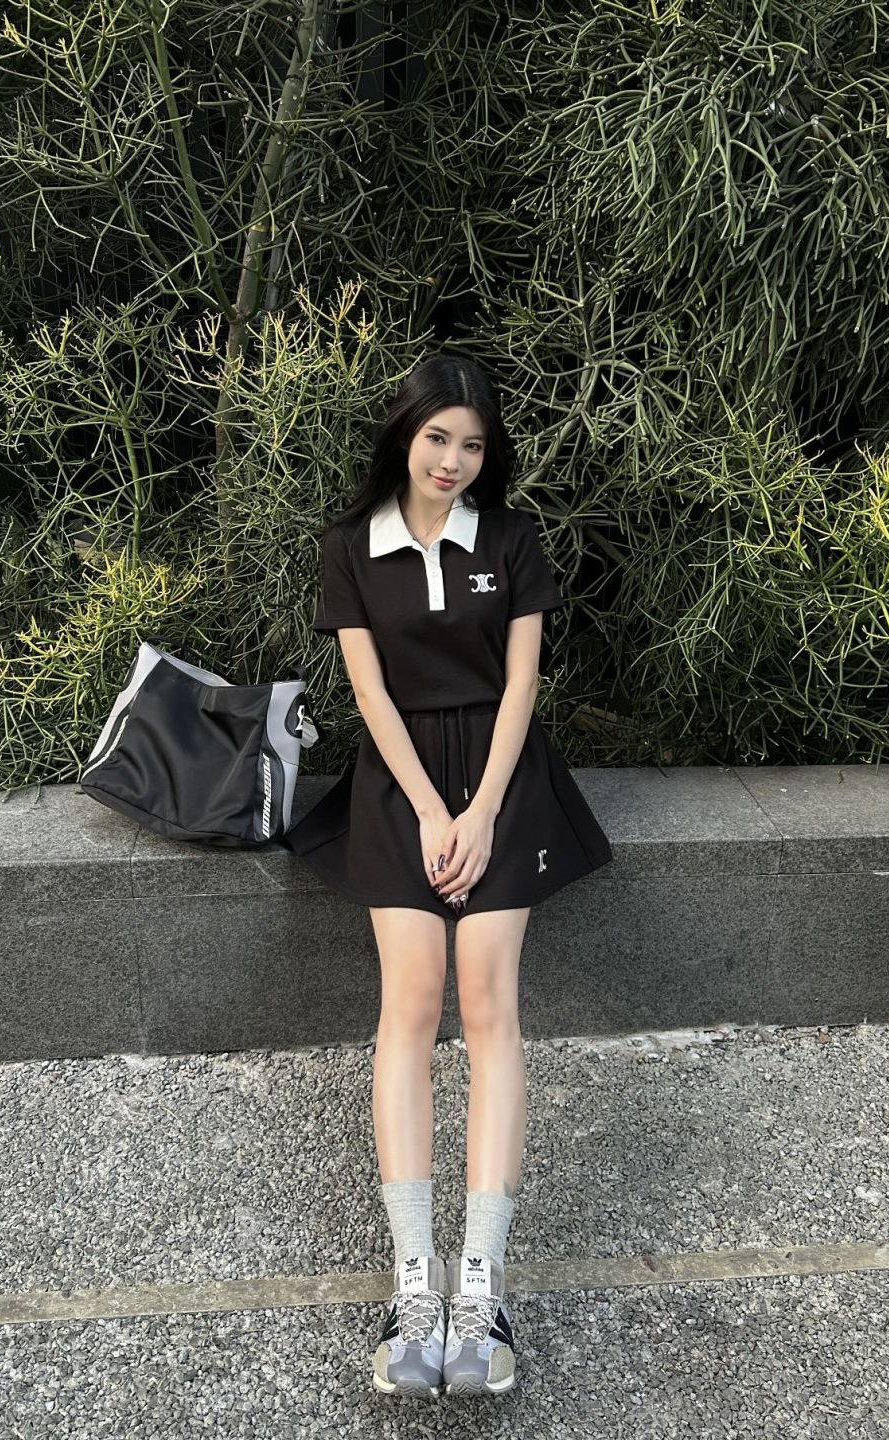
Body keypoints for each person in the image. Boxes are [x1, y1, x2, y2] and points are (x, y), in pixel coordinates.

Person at [282, 354, 613, 1398]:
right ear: (405, 436)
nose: (453, 461)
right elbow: (370, 695)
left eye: (472, 445)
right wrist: (431, 811)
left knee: (490, 1001)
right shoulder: (351, 547)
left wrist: (481, 813)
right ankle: (414, 1281)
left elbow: (521, 686)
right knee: (412, 1002)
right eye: (437, 439)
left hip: (503, 781)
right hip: (400, 785)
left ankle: (482, 1284)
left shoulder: (510, 539)